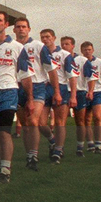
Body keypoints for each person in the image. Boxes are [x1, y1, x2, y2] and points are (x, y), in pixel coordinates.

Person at [0, 12, 32, 183]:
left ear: (6, 24)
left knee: (4, 131)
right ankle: (1, 160)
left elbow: (25, 74)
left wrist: (30, 99)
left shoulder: (17, 47)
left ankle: (5, 169)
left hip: (8, 92)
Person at [12, 17, 56, 171]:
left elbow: (51, 69)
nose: (21, 29)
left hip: (37, 86)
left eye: (24, 26)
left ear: (29, 29)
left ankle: (33, 156)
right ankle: (49, 141)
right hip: (17, 87)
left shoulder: (38, 46)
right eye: (18, 27)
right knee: (25, 124)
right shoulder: (12, 46)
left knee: (33, 120)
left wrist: (56, 92)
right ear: (14, 30)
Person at [41, 29, 78, 163]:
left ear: (54, 38)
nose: (45, 39)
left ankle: (58, 150)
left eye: (48, 37)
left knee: (60, 122)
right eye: (43, 37)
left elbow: (72, 77)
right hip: (44, 88)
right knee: (40, 122)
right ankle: (52, 140)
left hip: (61, 88)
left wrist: (73, 96)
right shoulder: (40, 52)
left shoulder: (64, 55)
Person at [81, 42, 101, 153]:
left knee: (97, 117)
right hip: (83, 92)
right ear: (82, 51)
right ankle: (90, 143)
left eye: (89, 49)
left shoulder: (100, 63)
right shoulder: (79, 62)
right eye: (85, 50)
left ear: (93, 50)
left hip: (98, 92)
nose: (87, 52)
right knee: (86, 119)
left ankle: (98, 144)